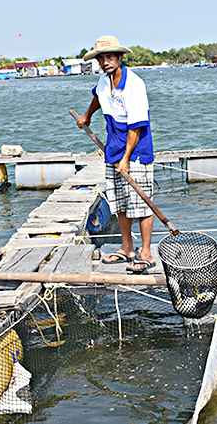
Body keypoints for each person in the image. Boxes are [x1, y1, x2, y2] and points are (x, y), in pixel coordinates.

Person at [75, 35, 155, 273]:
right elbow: (98, 97)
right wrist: (87, 115)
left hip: (136, 149)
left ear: (120, 57)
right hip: (113, 148)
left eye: (110, 57)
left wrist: (126, 159)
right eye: (101, 58)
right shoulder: (104, 80)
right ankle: (127, 248)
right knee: (119, 202)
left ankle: (146, 252)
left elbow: (136, 126)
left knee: (140, 202)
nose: (106, 62)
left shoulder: (134, 84)